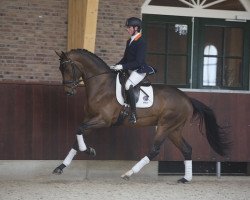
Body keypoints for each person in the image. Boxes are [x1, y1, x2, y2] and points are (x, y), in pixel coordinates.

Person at [110, 17, 156, 124]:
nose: (127, 29)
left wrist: (122, 67)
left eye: (129, 27)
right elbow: (125, 58)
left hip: (139, 69)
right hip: (130, 69)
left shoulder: (141, 42)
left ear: (136, 28)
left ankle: (134, 113)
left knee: (128, 85)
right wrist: (116, 66)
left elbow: (138, 62)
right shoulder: (129, 41)